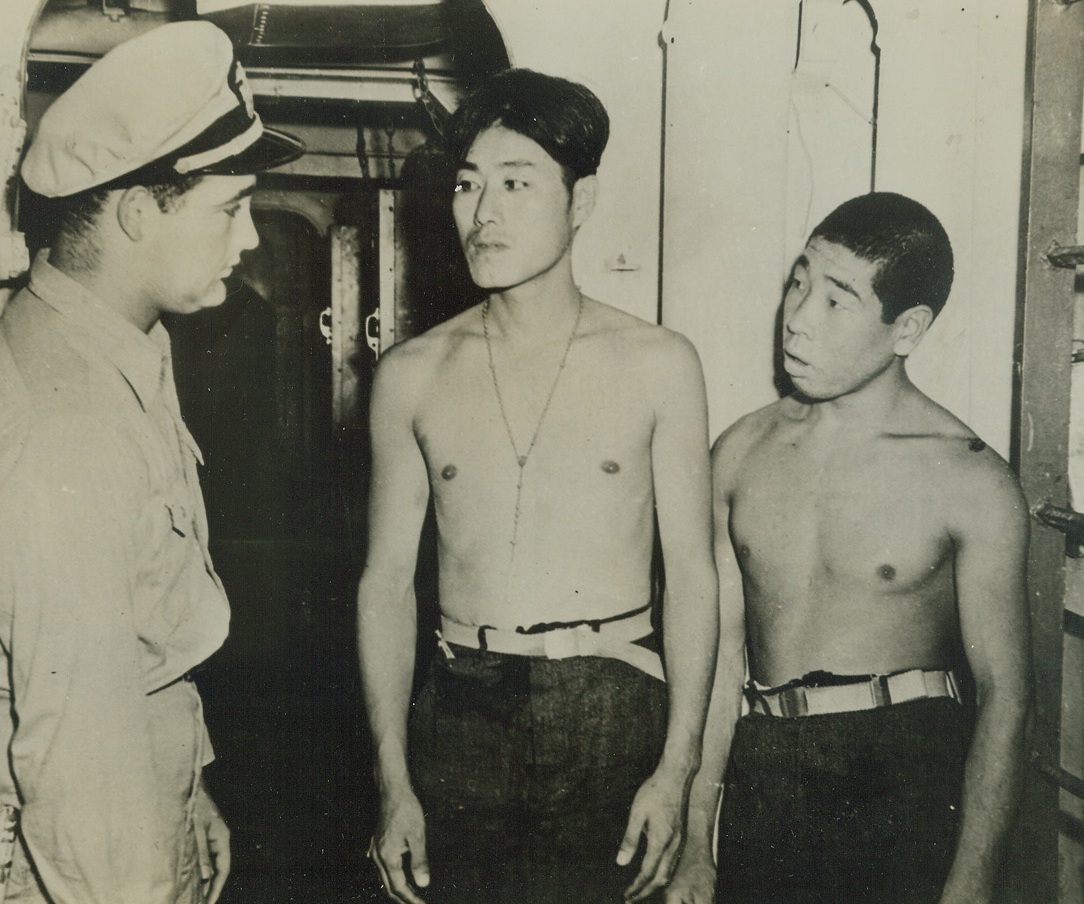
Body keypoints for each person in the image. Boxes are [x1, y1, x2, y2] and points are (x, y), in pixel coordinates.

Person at [357, 68, 718, 904]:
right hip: (459, 712)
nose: (483, 214)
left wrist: (680, 772)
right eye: (468, 185)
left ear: (580, 202)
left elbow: (695, 576)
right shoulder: (411, 375)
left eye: (517, 185)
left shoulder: (661, 365)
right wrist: (393, 782)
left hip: (614, 700)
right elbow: (382, 586)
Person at [0, 21, 303, 904]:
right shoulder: (68, 426)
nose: (247, 240)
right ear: (137, 213)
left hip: (142, 785)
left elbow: (139, 633)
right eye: (229, 207)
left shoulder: (109, 343)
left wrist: (189, 779)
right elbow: (79, 764)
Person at [666, 192, 1031, 904]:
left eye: (837, 301)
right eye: (798, 282)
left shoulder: (970, 478)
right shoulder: (739, 453)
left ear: (908, 328)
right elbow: (717, 663)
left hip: (903, 775)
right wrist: (693, 844)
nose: (797, 318)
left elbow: (1006, 699)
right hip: (765, 767)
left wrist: (972, 880)